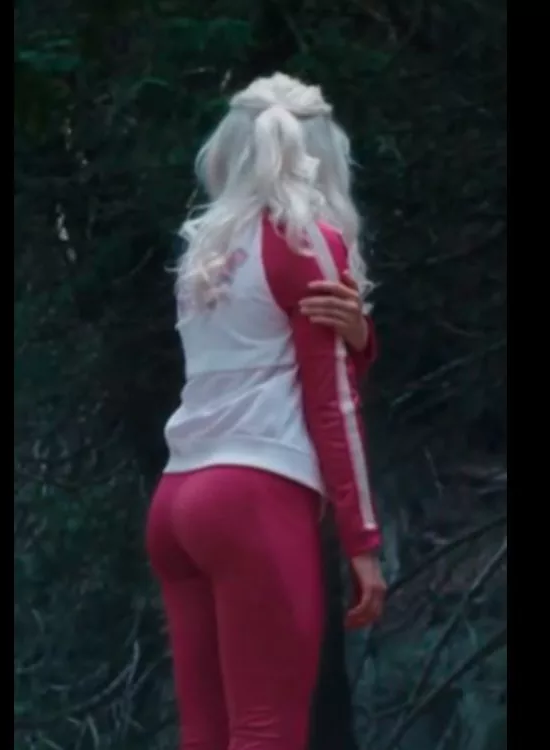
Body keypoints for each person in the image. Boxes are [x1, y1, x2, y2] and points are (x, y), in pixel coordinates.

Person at [146, 72, 386, 750]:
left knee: (207, 734)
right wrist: (363, 541)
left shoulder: (207, 249)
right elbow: (331, 403)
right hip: (254, 496)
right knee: (266, 732)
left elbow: (265, 359)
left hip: (178, 498)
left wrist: (359, 340)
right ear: (324, 153)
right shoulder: (307, 242)